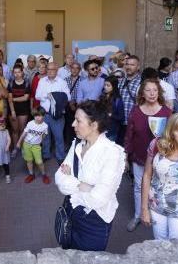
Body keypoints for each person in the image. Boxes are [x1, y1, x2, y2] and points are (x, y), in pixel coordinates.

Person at [55, 100, 126, 251]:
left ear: (94, 125)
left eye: (78, 121)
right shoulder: (77, 144)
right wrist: (83, 185)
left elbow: (98, 198)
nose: (73, 124)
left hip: (94, 222)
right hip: (71, 212)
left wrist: (72, 181)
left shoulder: (112, 153)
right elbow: (59, 178)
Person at [124, 78, 172, 232]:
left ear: (159, 93)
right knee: (139, 187)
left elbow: (172, 136)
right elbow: (129, 135)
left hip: (161, 158)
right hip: (139, 157)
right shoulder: (136, 111)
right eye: (148, 90)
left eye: (155, 90)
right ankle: (138, 215)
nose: (152, 93)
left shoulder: (167, 112)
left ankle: (158, 215)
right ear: (142, 93)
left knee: (159, 186)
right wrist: (126, 155)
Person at [35, 62, 71, 163]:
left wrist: (55, 96)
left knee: (59, 137)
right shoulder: (42, 81)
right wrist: (48, 95)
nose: (50, 71)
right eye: (49, 69)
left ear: (57, 71)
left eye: (53, 69)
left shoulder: (62, 82)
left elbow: (68, 97)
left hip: (57, 115)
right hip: (44, 114)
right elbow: (37, 95)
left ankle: (60, 157)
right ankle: (46, 154)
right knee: (45, 137)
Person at [16, 107, 50, 184]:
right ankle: (31, 174)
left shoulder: (45, 126)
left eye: (40, 115)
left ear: (43, 116)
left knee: (39, 162)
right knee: (29, 160)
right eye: (35, 116)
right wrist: (19, 142)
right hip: (26, 144)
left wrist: (40, 141)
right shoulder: (30, 123)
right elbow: (24, 133)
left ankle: (44, 175)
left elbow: (44, 135)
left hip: (36, 146)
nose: (37, 118)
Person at [8, 64, 31, 157]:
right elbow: (9, 98)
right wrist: (13, 111)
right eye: (15, 72)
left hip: (23, 109)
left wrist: (13, 99)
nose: (17, 74)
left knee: (22, 129)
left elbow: (26, 98)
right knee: (14, 130)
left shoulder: (26, 83)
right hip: (13, 109)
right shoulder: (10, 83)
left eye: (19, 72)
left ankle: (21, 147)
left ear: (22, 72)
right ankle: (15, 148)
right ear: (13, 73)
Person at [118, 55, 142, 134]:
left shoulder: (142, 83)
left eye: (132, 65)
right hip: (119, 122)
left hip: (133, 123)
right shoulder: (120, 81)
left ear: (138, 67)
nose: (128, 67)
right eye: (127, 64)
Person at [100, 76, 124, 143]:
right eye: (105, 85)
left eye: (108, 85)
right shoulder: (102, 97)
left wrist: (111, 115)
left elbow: (121, 117)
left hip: (111, 132)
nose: (105, 87)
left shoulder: (117, 100)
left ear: (114, 86)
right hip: (101, 130)